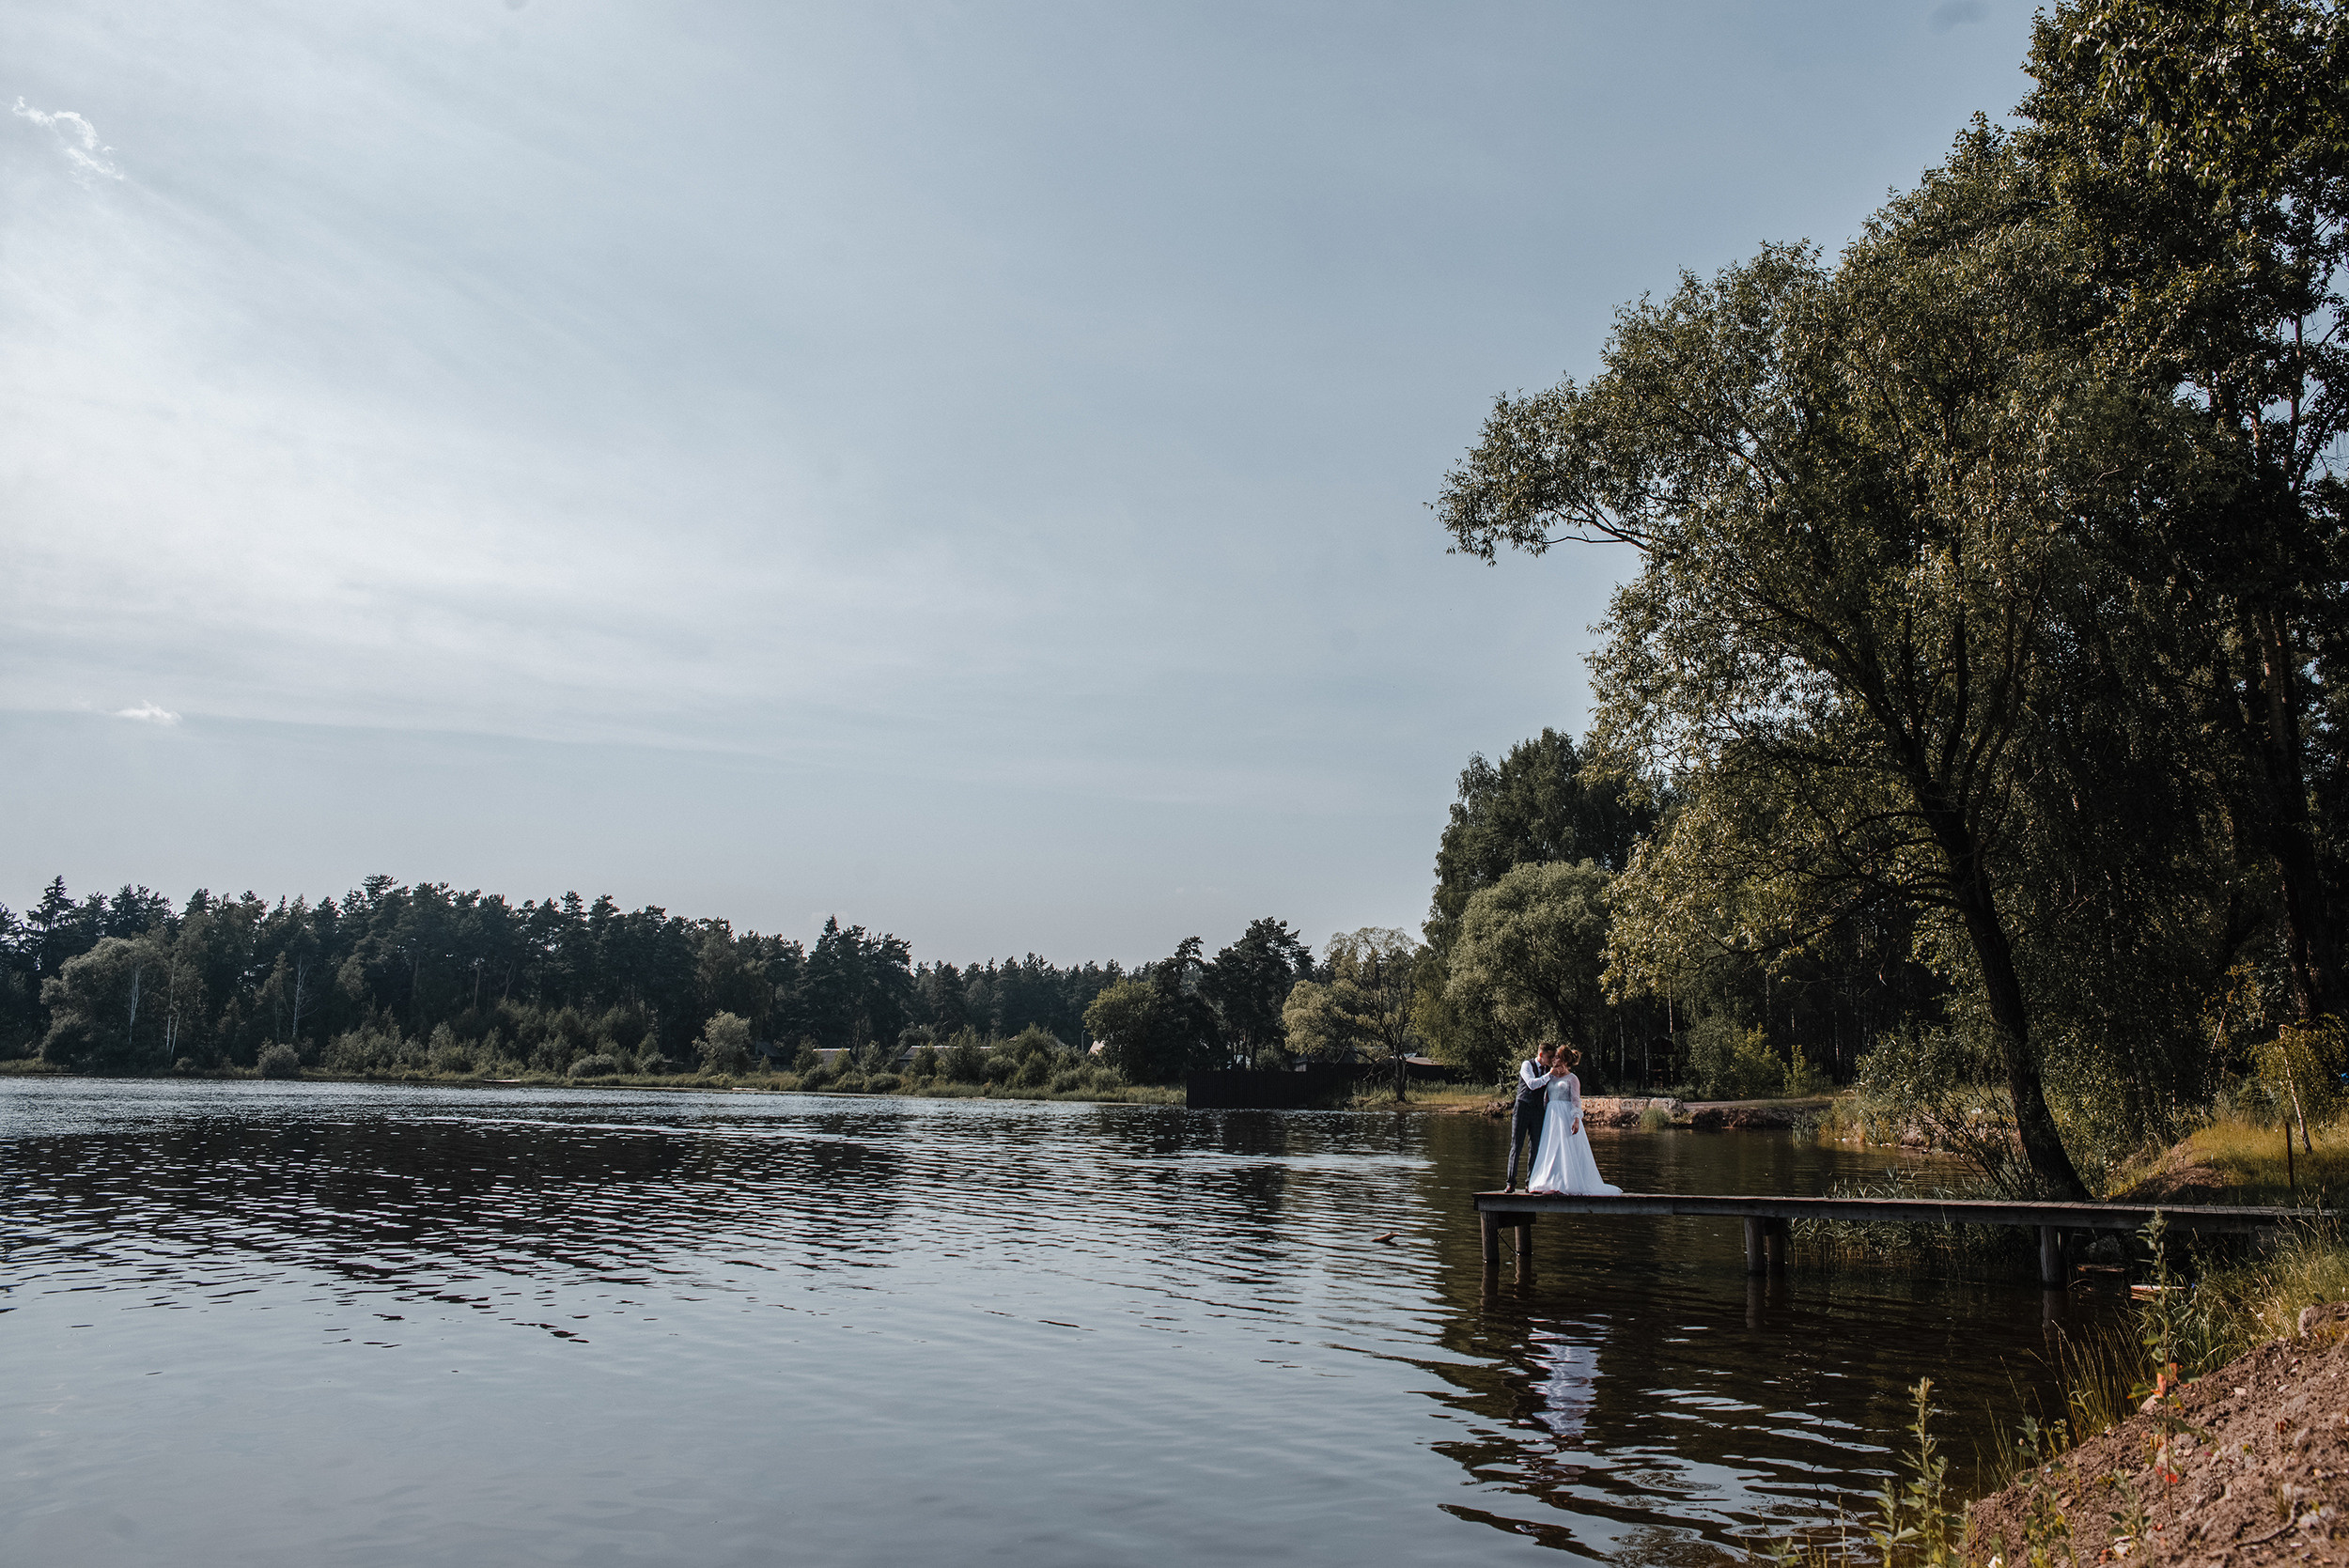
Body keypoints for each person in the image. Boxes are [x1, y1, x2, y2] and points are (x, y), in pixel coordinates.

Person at [1524, 1046, 1622, 1196]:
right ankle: (1549, 1182)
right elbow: (1546, 1098)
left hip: (1565, 1116)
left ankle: (1564, 1184)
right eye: (1554, 1057)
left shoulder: (1572, 1078)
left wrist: (1576, 1119)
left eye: (1556, 1057)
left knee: (1565, 1149)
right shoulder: (1551, 1077)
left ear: (1563, 1061)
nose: (1553, 1060)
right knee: (1552, 1148)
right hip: (1552, 1116)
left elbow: (1576, 1100)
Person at [1502, 1041, 1555, 1191]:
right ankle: (1511, 1182)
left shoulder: (1548, 1070)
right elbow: (1532, 1084)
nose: (1551, 1059)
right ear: (1541, 1054)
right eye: (1549, 1056)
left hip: (1538, 1110)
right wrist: (1549, 1075)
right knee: (1517, 1145)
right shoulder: (1527, 1065)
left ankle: (1530, 1182)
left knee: (1535, 1146)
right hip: (1523, 1107)